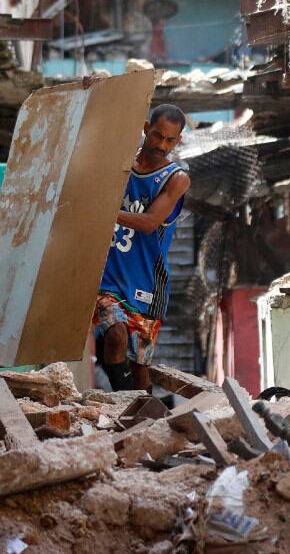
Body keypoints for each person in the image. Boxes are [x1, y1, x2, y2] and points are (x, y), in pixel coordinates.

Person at [94, 103, 191, 391]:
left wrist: (103, 211)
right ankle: (124, 402)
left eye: (170, 140)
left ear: (178, 141)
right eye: (157, 136)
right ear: (146, 129)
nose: (162, 145)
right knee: (115, 335)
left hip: (146, 279)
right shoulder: (120, 164)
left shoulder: (176, 178)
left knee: (139, 365)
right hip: (106, 275)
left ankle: (142, 409)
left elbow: (149, 223)